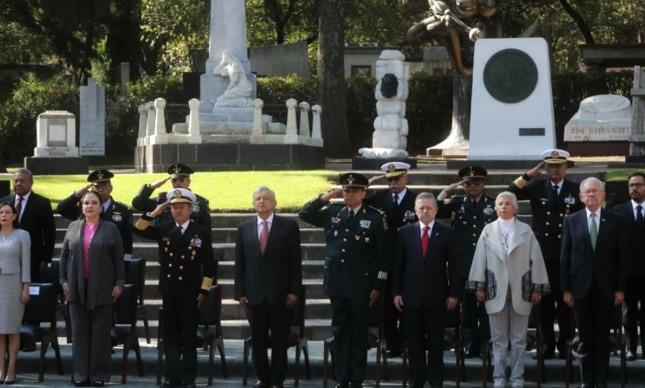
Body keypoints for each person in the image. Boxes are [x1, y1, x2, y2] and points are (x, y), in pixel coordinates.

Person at [299, 173, 388, 388]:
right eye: (346, 190)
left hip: (362, 284)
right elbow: (305, 213)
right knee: (339, 331)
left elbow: (384, 257)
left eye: (354, 190)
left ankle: (356, 379)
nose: (349, 194)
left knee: (358, 332)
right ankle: (341, 378)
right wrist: (329, 195)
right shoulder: (333, 211)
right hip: (337, 282)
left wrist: (378, 285)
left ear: (363, 193)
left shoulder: (375, 217)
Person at [134, 188, 216, 388]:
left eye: (181, 207)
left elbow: (210, 266)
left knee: (188, 338)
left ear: (190, 209)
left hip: (190, 293)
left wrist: (204, 291)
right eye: (173, 207)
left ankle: (189, 379)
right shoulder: (164, 227)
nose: (177, 211)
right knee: (170, 338)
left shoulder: (200, 232)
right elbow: (138, 228)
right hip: (169, 291)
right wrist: (155, 212)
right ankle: (172, 377)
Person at [468, 191, 549, 388]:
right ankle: (499, 377)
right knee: (498, 338)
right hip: (495, 289)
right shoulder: (488, 230)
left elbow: (536, 258)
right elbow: (480, 258)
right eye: (500, 204)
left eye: (507, 203)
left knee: (519, 339)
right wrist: (479, 284)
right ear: (495, 208)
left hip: (521, 289)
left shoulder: (525, 230)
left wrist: (537, 287)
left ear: (515, 208)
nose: (503, 206)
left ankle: (517, 378)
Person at [508, 148, 583, 358]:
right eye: (550, 166)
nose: (555, 169)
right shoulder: (536, 187)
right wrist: (529, 175)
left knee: (566, 302)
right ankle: (546, 344)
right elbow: (511, 191)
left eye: (559, 166)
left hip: (567, 254)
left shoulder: (575, 189)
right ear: (545, 168)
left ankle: (566, 344)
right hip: (542, 255)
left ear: (565, 167)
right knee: (544, 303)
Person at [561, 177, 628, 388]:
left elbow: (621, 257)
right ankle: (586, 381)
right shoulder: (571, 220)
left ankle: (601, 381)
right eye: (587, 192)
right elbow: (565, 256)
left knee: (601, 338)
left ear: (603, 196)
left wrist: (620, 288)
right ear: (580, 197)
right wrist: (565, 289)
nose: (592, 194)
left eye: (596, 191)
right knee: (585, 338)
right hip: (580, 289)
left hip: (606, 289)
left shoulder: (615, 220)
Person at [234, 187, 303, 388]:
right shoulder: (244, 228)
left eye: (265, 199)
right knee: (258, 340)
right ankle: (262, 378)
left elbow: (295, 262)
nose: (261, 202)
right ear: (253, 203)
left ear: (274, 203)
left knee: (280, 340)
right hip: (254, 295)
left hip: (280, 294)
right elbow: (240, 263)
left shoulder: (288, 226)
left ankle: (277, 379)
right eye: (257, 199)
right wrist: (240, 292)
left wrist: (293, 291)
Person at [392, 192, 458, 388]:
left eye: (429, 208)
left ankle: (436, 381)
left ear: (436, 210)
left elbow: (454, 266)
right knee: (414, 344)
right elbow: (398, 265)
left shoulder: (447, 233)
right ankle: (416, 381)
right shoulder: (404, 232)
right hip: (411, 298)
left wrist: (454, 293)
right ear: (415, 210)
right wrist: (396, 292)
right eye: (421, 208)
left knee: (437, 343)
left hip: (437, 297)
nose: (425, 211)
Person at [60, 191, 125, 387]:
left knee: (100, 333)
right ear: (81, 206)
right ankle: (80, 374)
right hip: (76, 286)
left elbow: (118, 259)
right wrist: (63, 280)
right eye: (86, 203)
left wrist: (119, 283)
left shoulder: (110, 228)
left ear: (100, 206)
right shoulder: (73, 227)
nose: (89, 206)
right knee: (79, 333)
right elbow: (63, 257)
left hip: (103, 287)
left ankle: (99, 374)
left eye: (94, 202)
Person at [437, 165, 496, 357]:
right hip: (464, 263)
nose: (472, 186)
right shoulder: (456, 203)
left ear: (483, 184)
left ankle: (486, 343)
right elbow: (435, 209)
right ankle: (469, 343)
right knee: (468, 308)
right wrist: (447, 190)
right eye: (468, 183)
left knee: (487, 307)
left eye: (476, 182)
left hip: (488, 262)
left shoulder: (493, 203)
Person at [365, 161, 417, 358]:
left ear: (406, 178)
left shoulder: (416, 199)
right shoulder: (379, 197)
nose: (393, 182)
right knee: (386, 306)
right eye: (389, 179)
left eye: (397, 178)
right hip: (385, 258)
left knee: (408, 304)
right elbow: (359, 196)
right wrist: (370, 183)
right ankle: (392, 345)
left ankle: (408, 343)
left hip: (410, 258)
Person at [57, 169, 133, 259]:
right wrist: (77, 194)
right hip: (85, 258)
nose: (100, 189)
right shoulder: (84, 209)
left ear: (111, 188)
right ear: (92, 189)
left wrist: (126, 262)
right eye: (97, 186)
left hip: (111, 259)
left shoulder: (123, 210)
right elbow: (61, 209)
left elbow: (127, 240)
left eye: (104, 186)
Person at [0, 168, 55, 281]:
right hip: (7, 257)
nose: (19, 183)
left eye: (22, 181)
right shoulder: (4, 202)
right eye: (16, 181)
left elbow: (50, 232)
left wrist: (46, 259)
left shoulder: (42, 203)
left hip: (32, 259)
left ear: (31, 183)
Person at [612, 172, 645, 360]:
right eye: (632, 185)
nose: (635, 188)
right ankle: (631, 348)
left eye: (639, 185)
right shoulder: (618, 211)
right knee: (628, 313)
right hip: (628, 272)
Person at [0, 202, 31, 384]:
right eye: (1, 212)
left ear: (14, 215)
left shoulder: (22, 235)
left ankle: (12, 368)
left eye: (7, 212)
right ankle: (1, 368)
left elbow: (25, 262)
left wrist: (25, 286)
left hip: (13, 285)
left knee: (11, 329)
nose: (3, 215)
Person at [131, 162, 211, 230]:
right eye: (174, 180)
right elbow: (138, 203)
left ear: (189, 182)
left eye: (181, 180)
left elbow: (206, 231)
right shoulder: (162, 200)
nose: (177, 183)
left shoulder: (200, 202)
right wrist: (151, 186)